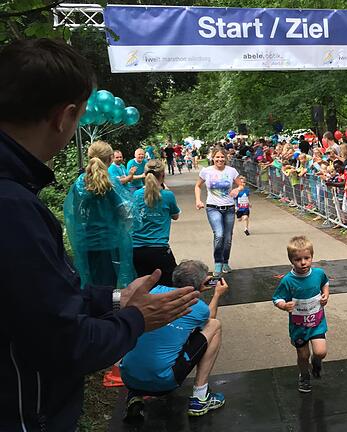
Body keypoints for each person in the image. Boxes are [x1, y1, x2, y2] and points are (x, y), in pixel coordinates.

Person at [0, 37, 199, 432]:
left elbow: (39, 299)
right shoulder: (13, 205)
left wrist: (113, 297)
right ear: (65, 116)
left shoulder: (26, 190)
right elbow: (63, 341)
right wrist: (134, 318)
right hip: (27, 413)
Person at [121, 260, 227, 421]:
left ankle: (135, 396)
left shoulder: (153, 292)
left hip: (128, 378)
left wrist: (196, 288)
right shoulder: (197, 306)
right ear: (199, 283)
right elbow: (208, 320)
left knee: (149, 337)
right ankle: (200, 398)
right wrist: (217, 294)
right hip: (163, 382)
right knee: (215, 325)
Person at [63, 140, 135, 288]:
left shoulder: (79, 183)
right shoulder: (109, 183)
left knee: (90, 286)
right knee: (107, 289)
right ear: (110, 159)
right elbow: (125, 213)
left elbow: (75, 213)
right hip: (108, 244)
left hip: (85, 244)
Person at [272, 236, 330, 393]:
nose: (303, 262)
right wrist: (284, 305)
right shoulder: (288, 281)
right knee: (303, 355)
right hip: (299, 326)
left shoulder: (318, 273)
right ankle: (304, 375)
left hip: (317, 322)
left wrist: (326, 295)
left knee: (320, 352)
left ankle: (316, 362)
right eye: (298, 259)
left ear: (312, 256)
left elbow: (325, 283)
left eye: (307, 258)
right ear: (291, 260)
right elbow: (277, 298)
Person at [132, 159, 180, 287]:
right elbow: (176, 216)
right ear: (162, 175)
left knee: (144, 289)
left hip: (137, 250)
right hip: (159, 249)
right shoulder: (167, 195)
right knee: (170, 286)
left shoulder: (136, 194)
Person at [196, 146, 242, 276]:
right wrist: (198, 200)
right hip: (213, 207)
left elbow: (241, 184)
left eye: (222, 157)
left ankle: (225, 261)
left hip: (229, 208)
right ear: (213, 158)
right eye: (217, 157)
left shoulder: (231, 171)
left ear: (225, 158)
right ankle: (218, 262)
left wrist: (237, 189)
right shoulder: (206, 171)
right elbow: (198, 186)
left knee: (227, 238)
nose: (220, 159)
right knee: (219, 234)